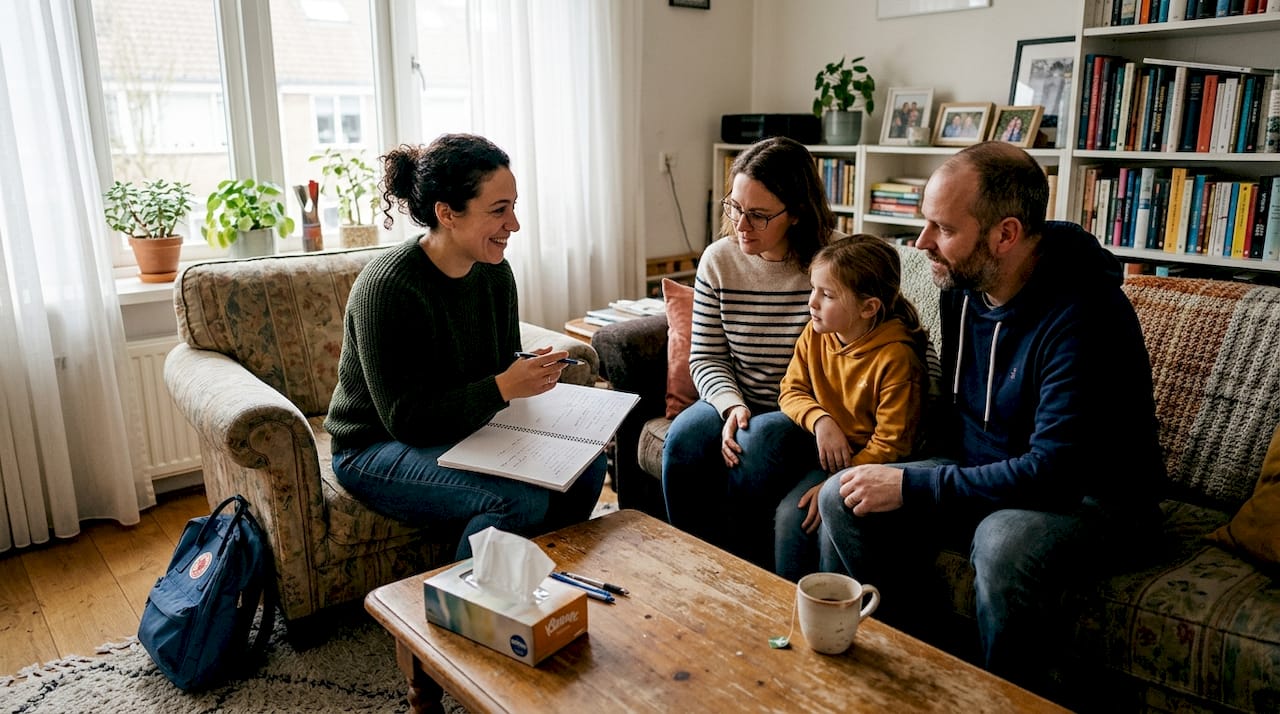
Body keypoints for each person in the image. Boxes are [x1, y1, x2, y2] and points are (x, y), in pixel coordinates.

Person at [816, 142, 1164, 697]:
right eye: (925, 223)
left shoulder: (1084, 315)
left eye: (943, 229)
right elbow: (956, 418)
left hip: (1093, 499)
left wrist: (915, 483)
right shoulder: (964, 287)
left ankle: (1003, 701)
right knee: (844, 494)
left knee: (1002, 540)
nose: (923, 243)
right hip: (989, 469)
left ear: (1005, 235)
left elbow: (1055, 471)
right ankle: (917, 677)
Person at [324, 134, 607, 561]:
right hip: (374, 446)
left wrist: (527, 375)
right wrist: (502, 387)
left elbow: (498, 367)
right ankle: (463, 617)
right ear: (446, 214)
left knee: (586, 469)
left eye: (513, 207)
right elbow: (407, 421)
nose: (513, 225)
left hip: (462, 431)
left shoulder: (495, 274)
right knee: (517, 500)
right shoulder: (389, 287)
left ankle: (543, 584)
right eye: (499, 210)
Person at [662, 136, 840, 570]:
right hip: (740, 396)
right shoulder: (719, 260)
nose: (742, 225)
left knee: (755, 442)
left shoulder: (835, 260)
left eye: (758, 215)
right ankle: (695, 565)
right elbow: (706, 356)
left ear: (796, 213)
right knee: (683, 439)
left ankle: (744, 573)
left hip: (806, 409)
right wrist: (730, 407)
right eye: (735, 208)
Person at [772, 235, 930, 582]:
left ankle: (837, 617)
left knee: (828, 524)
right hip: (834, 456)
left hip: (876, 469)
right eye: (814, 289)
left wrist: (833, 481)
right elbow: (790, 389)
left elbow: (892, 445)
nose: (812, 302)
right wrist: (821, 420)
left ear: (868, 307)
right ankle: (787, 612)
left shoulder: (897, 358)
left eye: (827, 295)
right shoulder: (817, 333)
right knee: (791, 516)